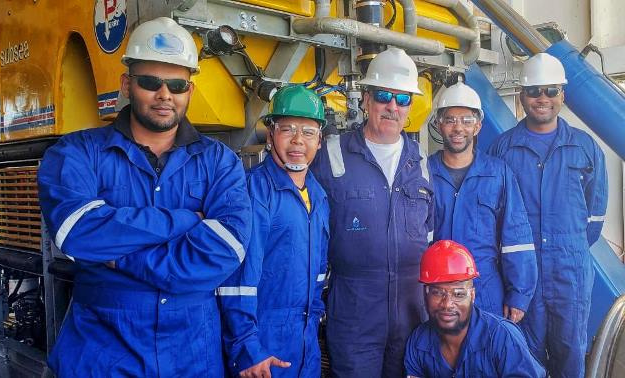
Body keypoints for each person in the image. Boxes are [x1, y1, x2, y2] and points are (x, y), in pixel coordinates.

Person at [38, 17, 252, 376]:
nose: (164, 94)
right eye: (151, 82)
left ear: (190, 90)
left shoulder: (219, 162)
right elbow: (77, 231)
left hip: (191, 355)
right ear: (127, 84)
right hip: (103, 352)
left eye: (177, 84)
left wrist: (121, 258)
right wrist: (188, 219)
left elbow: (226, 248)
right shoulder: (76, 153)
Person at [310, 47, 434, 377]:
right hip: (354, 312)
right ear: (365, 99)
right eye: (383, 95)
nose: (392, 106)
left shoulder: (420, 161)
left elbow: (430, 231)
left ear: (410, 107)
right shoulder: (331, 155)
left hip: (411, 313)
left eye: (402, 99)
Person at [488, 52, 608, 377]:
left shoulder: (585, 148)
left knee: (571, 353)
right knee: (524, 355)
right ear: (522, 95)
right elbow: (494, 214)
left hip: (569, 274)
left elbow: (594, 220)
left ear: (562, 95)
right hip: (522, 275)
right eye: (534, 90)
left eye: (551, 91)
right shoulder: (502, 149)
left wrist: (567, 247)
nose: (543, 98)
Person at [219, 85, 330, 378]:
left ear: (320, 141)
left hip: (305, 346)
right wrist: (247, 348)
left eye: (308, 132)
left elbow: (318, 276)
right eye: (287, 129)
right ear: (270, 136)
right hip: (263, 348)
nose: (297, 140)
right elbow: (237, 282)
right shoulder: (254, 192)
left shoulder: (319, 197)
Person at [428, 81, 537, 320]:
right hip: (436, 289)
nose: (458, 128)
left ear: (478, 126)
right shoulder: (423, 173)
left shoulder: (499, 173)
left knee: (486, 352)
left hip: (485, 287)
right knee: (440, 353)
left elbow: (516, 238)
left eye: (467, 120)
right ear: (438, 124)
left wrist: (519, 295)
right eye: (450, 120)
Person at [405, 240, 545, 378]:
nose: (447, 304)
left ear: (472, 295)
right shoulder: (418, 342)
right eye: (437, 293)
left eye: (458, 294)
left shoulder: (502, 338)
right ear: (425, 294)